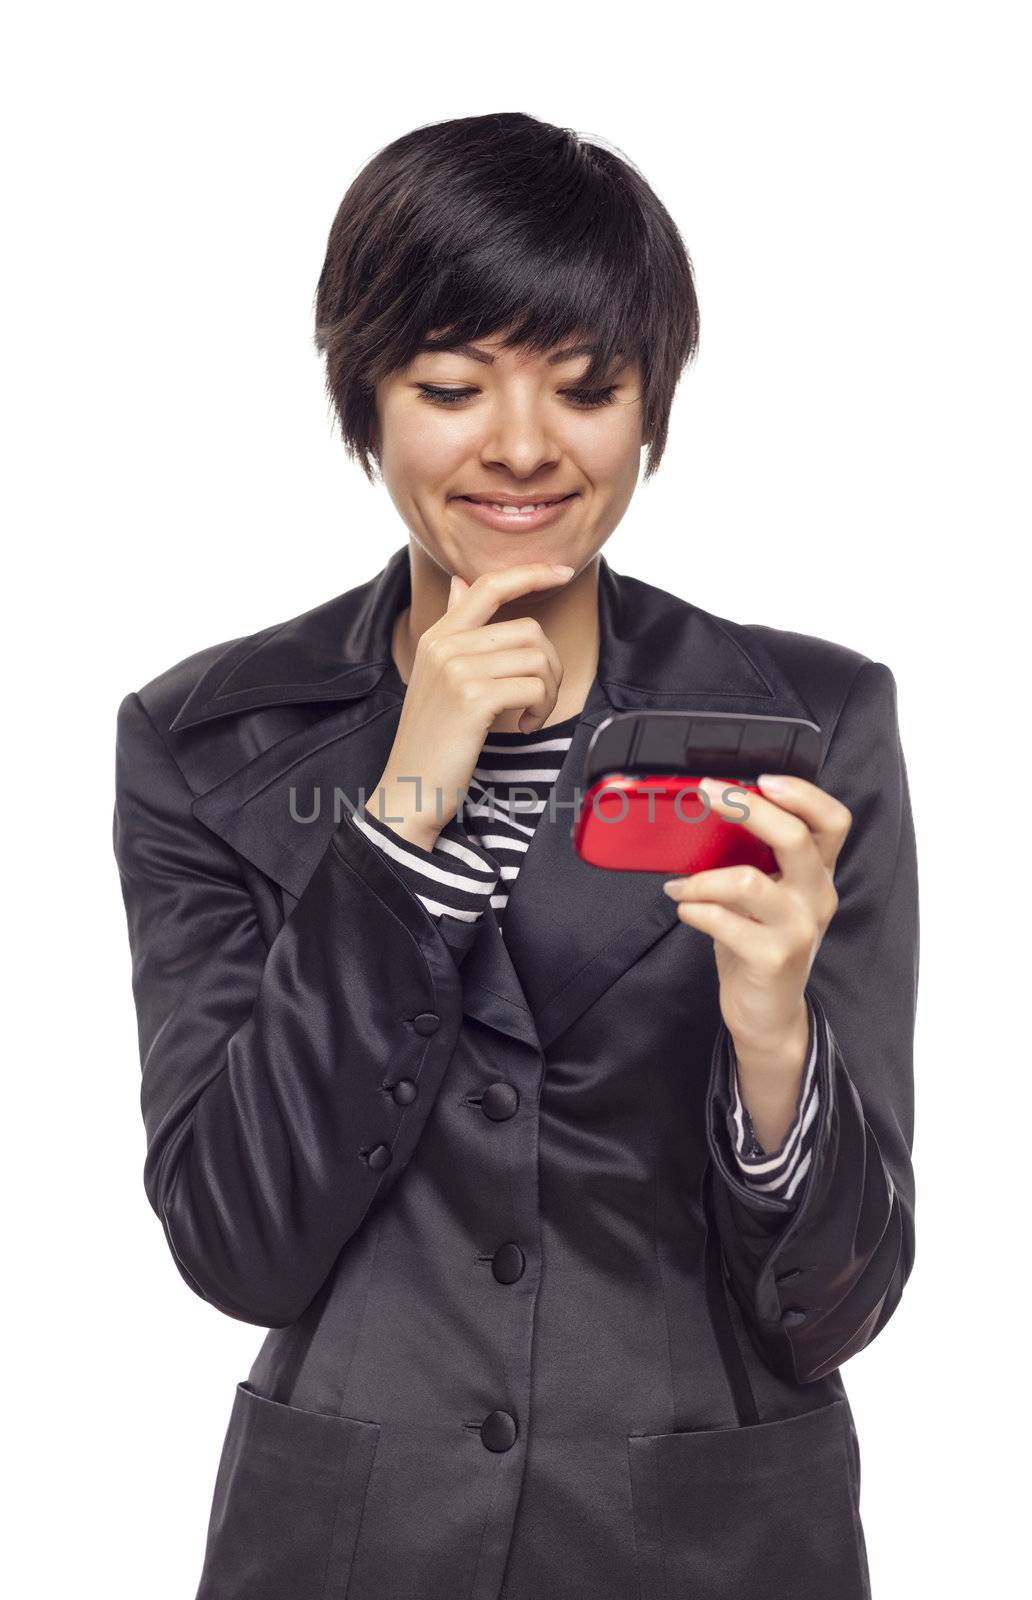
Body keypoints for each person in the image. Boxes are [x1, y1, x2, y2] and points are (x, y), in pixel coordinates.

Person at [112, 112, 918, 1600]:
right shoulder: (207, 742)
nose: (525, 446)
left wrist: (772, 1039)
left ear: (650, 406)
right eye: (450, 386)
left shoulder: (808, 726)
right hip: (357, 1544)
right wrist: (408, 802)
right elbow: (235, 1246)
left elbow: (837, 1306)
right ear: (365, 395)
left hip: (710, 1538)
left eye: (588, 386)